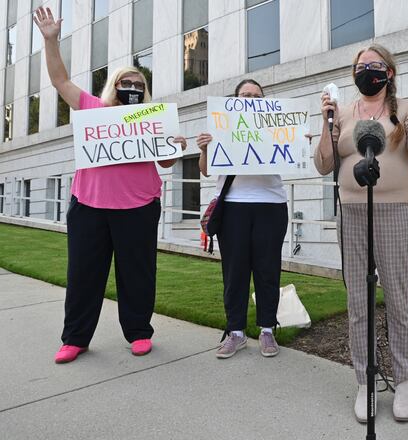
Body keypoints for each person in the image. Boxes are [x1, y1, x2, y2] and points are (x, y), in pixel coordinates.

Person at [34, 6, 187, 363]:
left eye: (138, 84)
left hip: (138, 207)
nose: (131, 87)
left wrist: (174, 147)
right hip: (89, 205)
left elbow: (164, 162)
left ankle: (138, 333)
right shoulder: (91, 108)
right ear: (113, 85)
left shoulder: (153, 118)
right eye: (126, 82)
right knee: (84, 275)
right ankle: (75, 338)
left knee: (138, 274)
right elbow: (60, 81)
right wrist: (51, 42)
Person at [314, 44, 408, 423]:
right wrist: (326, 122)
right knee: (358, 299)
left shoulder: (405, 112)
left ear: (389, 72)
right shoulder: (344, 113)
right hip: (351, 210)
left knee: (398, 295)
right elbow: (323, 164)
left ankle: (402, 380)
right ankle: (365, 380)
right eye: (360, 66)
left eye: (375, 65)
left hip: (395, 210)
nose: (367, 71)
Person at [196, 79, 288, 359]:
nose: (250, 100)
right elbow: (205, 171)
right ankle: (235, 332)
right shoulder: (221, 127)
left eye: (256, 96)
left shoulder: (276, 126)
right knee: (234, 272)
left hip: (271, 204)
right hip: (234, 206)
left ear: (264, 102)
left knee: (268, 270)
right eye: (244, 95)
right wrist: (203, 150)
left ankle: (267, 329)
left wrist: (296, 140)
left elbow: (291, 155)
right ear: (234, 100)